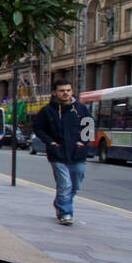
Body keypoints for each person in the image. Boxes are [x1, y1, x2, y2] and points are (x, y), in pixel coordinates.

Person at [32, 79, 91, 225]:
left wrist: (82, 143)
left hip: (77, 154)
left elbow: (89, 127)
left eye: (68, 90)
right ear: (55, 92)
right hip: (57, 153)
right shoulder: (47, 111)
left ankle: (60, 203)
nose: (65, 93)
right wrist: (51, 142)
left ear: (71, 91)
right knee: (65, 184)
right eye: (62, 90)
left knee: (75, 184)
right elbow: (38, 128)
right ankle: (65, 213)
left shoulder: (81, 109)